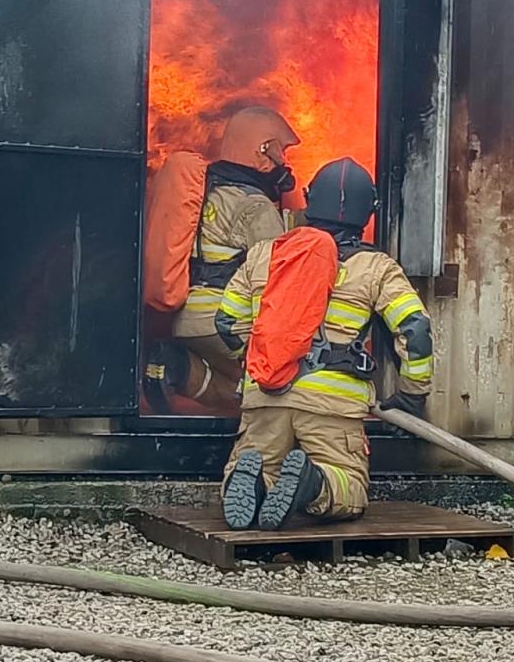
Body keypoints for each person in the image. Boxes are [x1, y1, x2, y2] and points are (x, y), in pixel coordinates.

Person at [213, 158, 434, 530]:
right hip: (332, 405)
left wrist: (259, 364)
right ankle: (312, 483)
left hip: (265, 396)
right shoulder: (376, 268)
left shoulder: (264, 255)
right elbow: (414, 330)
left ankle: (250, 479)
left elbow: (227, 322)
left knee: (256, 464)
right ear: (369, 211)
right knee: (348, 491)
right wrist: (411, 395)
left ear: (310, 201)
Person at [145, 106, 299, 412]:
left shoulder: (204, 191)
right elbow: (276, 278)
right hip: (226, 323)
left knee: (230, 382)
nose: (286, 163)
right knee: (278, 385)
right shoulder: (255, 206)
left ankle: (176, 365)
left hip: (185, 319)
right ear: (263, 150)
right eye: (282, 152)